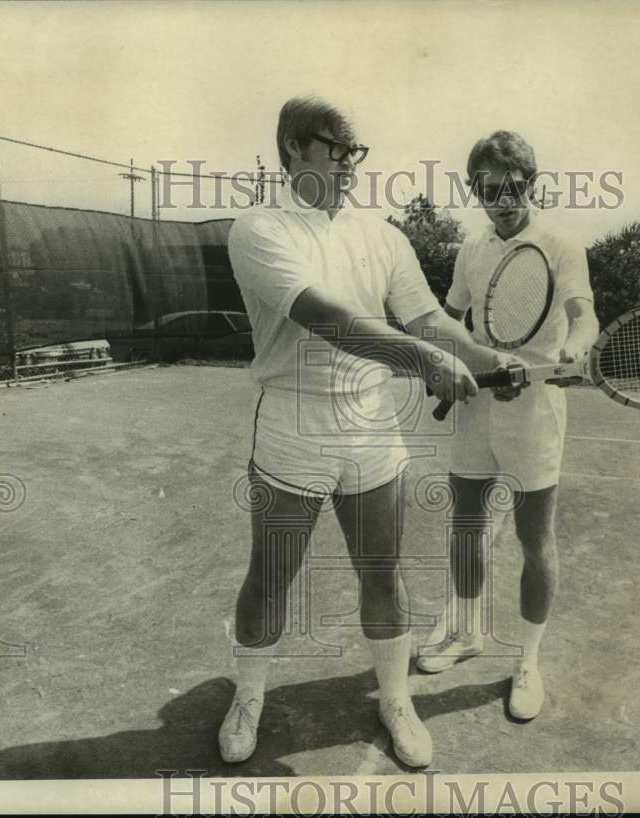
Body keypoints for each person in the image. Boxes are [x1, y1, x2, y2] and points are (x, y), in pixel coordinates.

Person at [219, 97, 524, 768]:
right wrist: (424, 363)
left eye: (357, 153)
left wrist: (488, 359)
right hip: (291, 421)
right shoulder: (258, 229)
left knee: (382, 571)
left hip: (370, 424)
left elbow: (427, 321)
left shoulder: (382, 234)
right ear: (296, 147)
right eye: (339, 150)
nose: (353, 165)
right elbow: (331, 320)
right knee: (271, 577)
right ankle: (248, 696)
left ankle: (394, 699)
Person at [416, 131, 599, 722]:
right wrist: (441, 359)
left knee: (533, 539)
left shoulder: (561, 245)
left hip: (535, 413)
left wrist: (574, 345)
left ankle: (527, 661)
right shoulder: (472, 249)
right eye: (488, 189)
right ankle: (466, 634)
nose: (502, 199)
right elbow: (451, 315)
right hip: (477, 405)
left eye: (513, 187)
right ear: (476, 190)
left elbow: (583, 313)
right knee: (466, 529)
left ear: (532, 183)